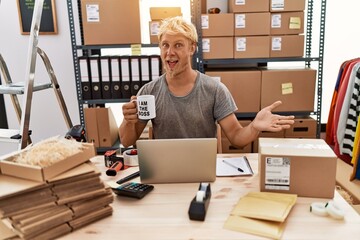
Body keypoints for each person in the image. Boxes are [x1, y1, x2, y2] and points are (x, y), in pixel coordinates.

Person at [119, 16, 294, 148]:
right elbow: (127, 141)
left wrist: (254, 126)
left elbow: (236, 137)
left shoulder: (214, 90)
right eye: (165, 45)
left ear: (192, 48)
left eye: (178, 45)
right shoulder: (148, 92)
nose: (170, 52)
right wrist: (128, 120)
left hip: (204, 176)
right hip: (165, 174)